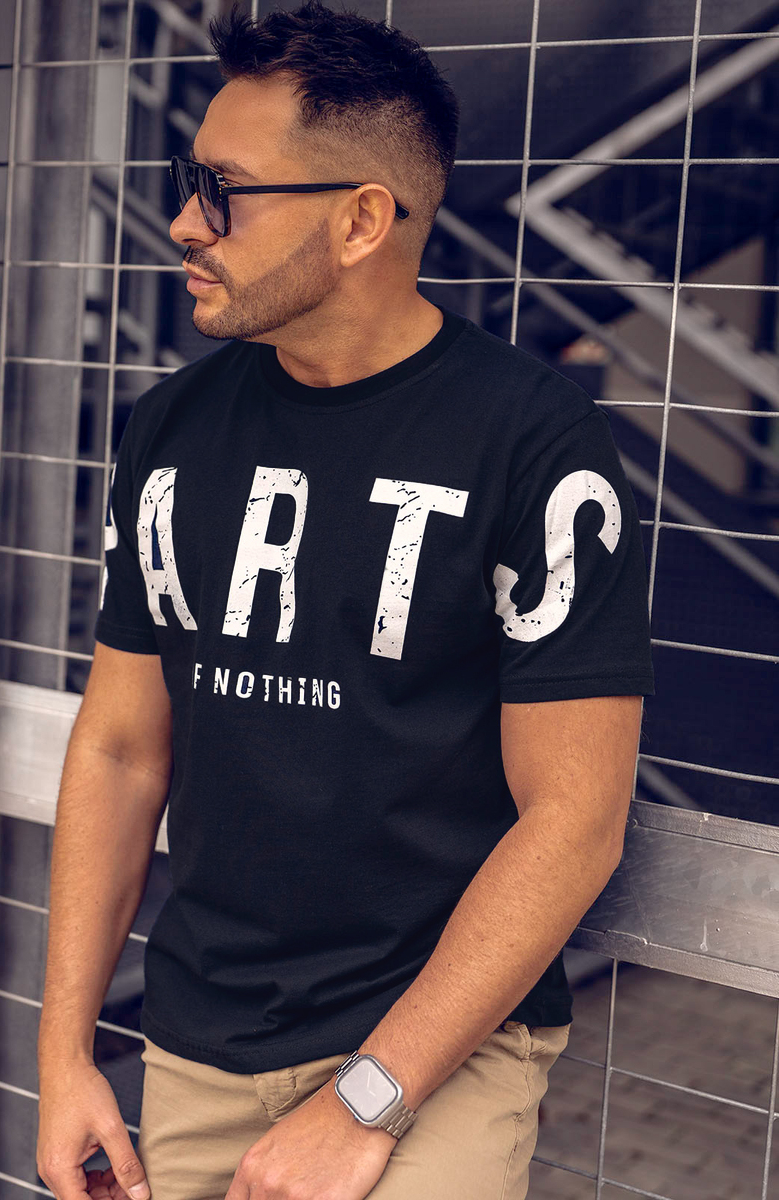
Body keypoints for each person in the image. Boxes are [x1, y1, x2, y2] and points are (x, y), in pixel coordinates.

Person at [35, 4, 654, 1199]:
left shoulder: (532, 442)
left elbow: (574, 817)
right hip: (199, 1041)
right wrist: (65, 1058)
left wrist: (369, 1096)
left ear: (363, 219)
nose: (184, 222)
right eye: (188, 182)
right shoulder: (171, 429)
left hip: (439, 1049)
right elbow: (117, 750)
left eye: (224, 191)